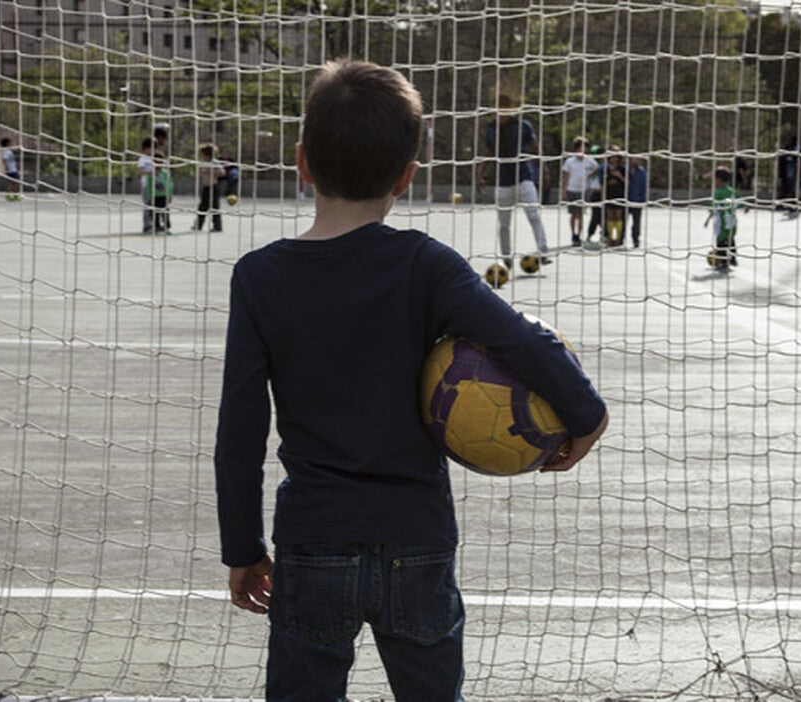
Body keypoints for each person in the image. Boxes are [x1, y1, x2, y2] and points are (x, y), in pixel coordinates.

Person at [214, 60, 608, 702]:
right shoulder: (426, 264)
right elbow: (520, 339)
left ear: (302, 163)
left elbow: (239, 431)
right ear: (407, 175)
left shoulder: (259, 277)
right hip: (416, 538)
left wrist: (242, 547)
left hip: (313, 538)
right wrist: (586, 414)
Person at [480, 92, 552, 267]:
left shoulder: (523, 126)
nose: (504, 110)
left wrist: (544, 169)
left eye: (507, 107)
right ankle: (506, 257)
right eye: (500, 107)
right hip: (503, 181)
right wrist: (480, 174)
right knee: (504, 223)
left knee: (534, 215)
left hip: (524, 177)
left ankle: (543, 252)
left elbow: (536, 148)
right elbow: (487, 153)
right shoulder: (491, 129)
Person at [703, 166, 738, 272]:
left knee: (721, 241)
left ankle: (723, 262)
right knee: (730, 238)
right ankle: (733, 258)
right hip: (732, 221)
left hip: (722, 222)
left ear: (718, 180)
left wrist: (708, 219)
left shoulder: (717, 192)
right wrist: (746, 207)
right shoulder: (732, 191)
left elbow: (714, 207)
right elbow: (740, 202)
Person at [559, 136, 589, 246]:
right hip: (571, 189)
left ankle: (579, 235)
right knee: (573, 214)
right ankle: (573, 234)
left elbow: (597, 169)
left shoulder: (589, 161)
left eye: (585, 147)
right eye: (580, 147)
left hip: (583, 190)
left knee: (580, 214)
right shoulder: (570, 161)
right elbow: (565, 177)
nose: (582, 150)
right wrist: (564, 191)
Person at [138, 137, 171, 233]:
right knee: (147, 205)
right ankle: (147, 226)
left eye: (155, 148)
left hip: (157, 186)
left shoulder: (155, 157)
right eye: (152, 148)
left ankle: (157, 225)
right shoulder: (143, 159)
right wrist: (152, 172)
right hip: (146, 186)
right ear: (146, 148)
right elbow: (140, 171)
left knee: (158, 206)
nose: (154, 150)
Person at [193, 142, 224, 232]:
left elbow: (222, 172)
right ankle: (198, 225)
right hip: (206, 187)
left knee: (215, 207)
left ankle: (217, 226)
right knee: (202, 207)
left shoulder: (214, 162)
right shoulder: (204, 163)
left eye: (203, 155)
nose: (202, 157)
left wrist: (212, 170)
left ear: (208, 155)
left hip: (213, 187)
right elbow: (199, 172)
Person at [600, 148, 627, 247]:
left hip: (620, 196)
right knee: (610, 218)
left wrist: (619, 176)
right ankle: (612, 238)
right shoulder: (605, 169)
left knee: (618, 217)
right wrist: (602, 196)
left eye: (616, 157)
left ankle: (618, 238)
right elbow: (602, 184)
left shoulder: (623, 169)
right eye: (612, 157)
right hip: (609, 196)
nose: (614, 159)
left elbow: (628, 183)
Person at [626, 155, 648, 248]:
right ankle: (618, 239)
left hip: (637, 200)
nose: (636, 161)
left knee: (636, 222)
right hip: (625, 200)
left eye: (639, 160)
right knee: (622, 221)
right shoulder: (626, 171)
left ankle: (636, 240)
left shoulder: (642, 172)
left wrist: (643, 200)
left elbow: (644, 187)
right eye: (635, 159)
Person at [0, 136, 21, 201]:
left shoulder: (8, 150)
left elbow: (15, 149)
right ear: (7, 143)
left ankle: (11, 195)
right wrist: (6, 167)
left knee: (13, 183)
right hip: (11, 170)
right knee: (15, 183)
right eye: (10, 142)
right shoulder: (6, 151)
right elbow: (4, 159)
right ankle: (14, 196)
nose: (11, 143)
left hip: (13, 169)